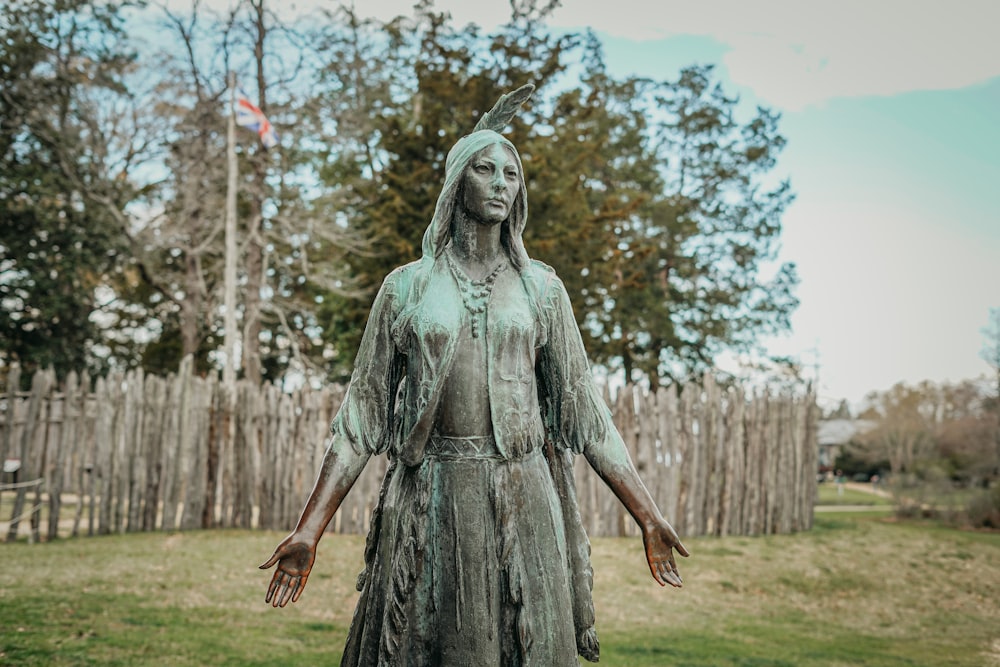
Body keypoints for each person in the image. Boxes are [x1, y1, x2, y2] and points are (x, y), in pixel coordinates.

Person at [261, 84, 688, 666]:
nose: (501, 184)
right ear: (457, 181)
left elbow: (586, 414)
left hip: (523, 491)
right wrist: (309, 528)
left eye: (511, 174)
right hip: (431, 492)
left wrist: (649, 515)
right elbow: (360, 416)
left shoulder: (542, 288)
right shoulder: (407, 286)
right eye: (485, 169)